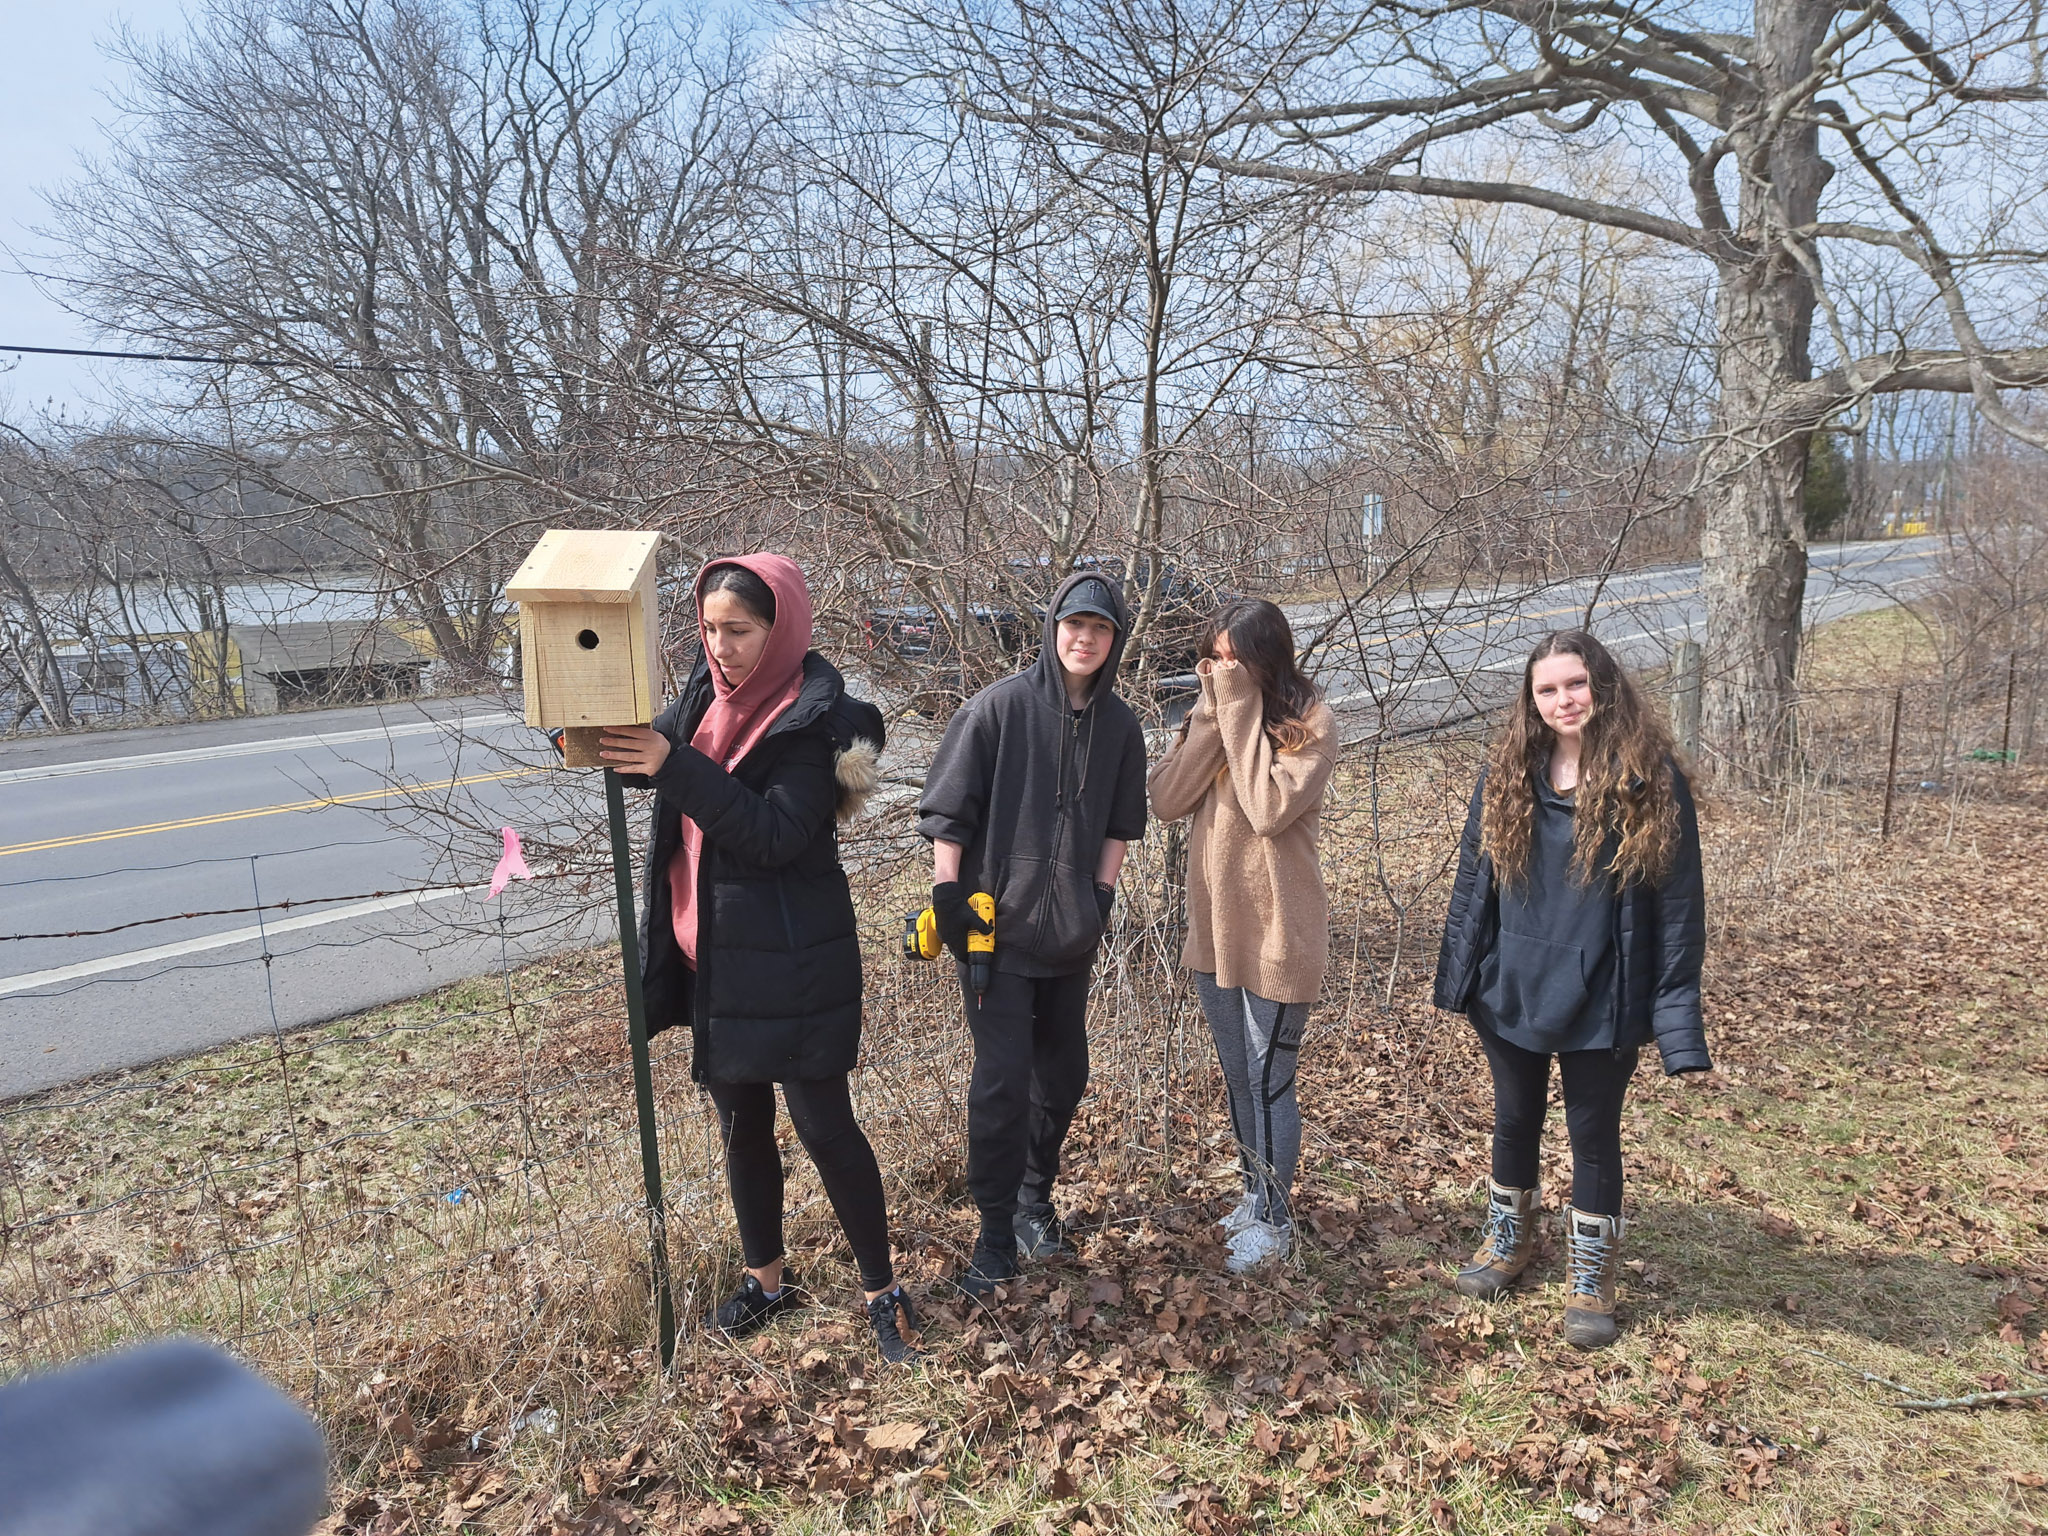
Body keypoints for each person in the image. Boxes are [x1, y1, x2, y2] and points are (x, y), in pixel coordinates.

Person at [599, 554, 919, 1364]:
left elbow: (775, 834)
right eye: (708, 630)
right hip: (717, 962)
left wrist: (673, 765)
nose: (721, 646)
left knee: (824, 1127)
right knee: (742, 1126)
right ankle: (767, 1284)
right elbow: (647, 762)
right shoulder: (706, 699)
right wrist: (584, 720)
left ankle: (884, 1292)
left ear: (781, 630)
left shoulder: (817, 721)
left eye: (737, 630)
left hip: (794, 962)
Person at [1433, 629, 1709, 1349]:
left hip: (1602, 996)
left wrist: (1677, 1021)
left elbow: (1680, 908)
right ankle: (1508, 1244)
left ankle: (1592, 1278)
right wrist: (1462, 974)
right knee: (1514, 1121)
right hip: (1513, 987)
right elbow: (1473, 884)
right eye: (1548, 689)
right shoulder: (1509, 773)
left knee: (1593, 1137)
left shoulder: (1647, 779)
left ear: (1604, 687)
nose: (1563, 701)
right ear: (1532, 700)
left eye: (1576, 684)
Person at [916, 571, 1148, 1298]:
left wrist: (1101, 898)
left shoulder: (1121, 728)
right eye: (1074, 625)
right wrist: (948, 896)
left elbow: (1120, 824)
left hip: (1072, 937)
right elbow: (947, 814)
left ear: (1115, 642)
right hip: (995, 937)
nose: (1085, 638)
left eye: (1100, 629)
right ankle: (993, 1232)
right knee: (1001, 1083)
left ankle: (1032, 1198)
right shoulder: (995, 711)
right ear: (1052, 628)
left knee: (1065, 1074)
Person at [1148, 598, 1336, 1275]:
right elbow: (1166, 800)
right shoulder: (1216, 717)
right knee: (1237, 1077)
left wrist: (1233, 708)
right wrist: (1207, 715)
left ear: (1267, 660)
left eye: (1235, 659)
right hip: (1216, 932)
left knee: (1269, 1081)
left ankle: (1277, 1222)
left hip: (1281, 936)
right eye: (1215, 658)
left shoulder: (1308, 724)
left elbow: (1264, 809)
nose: (1222, 670)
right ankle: (1256, 1193)